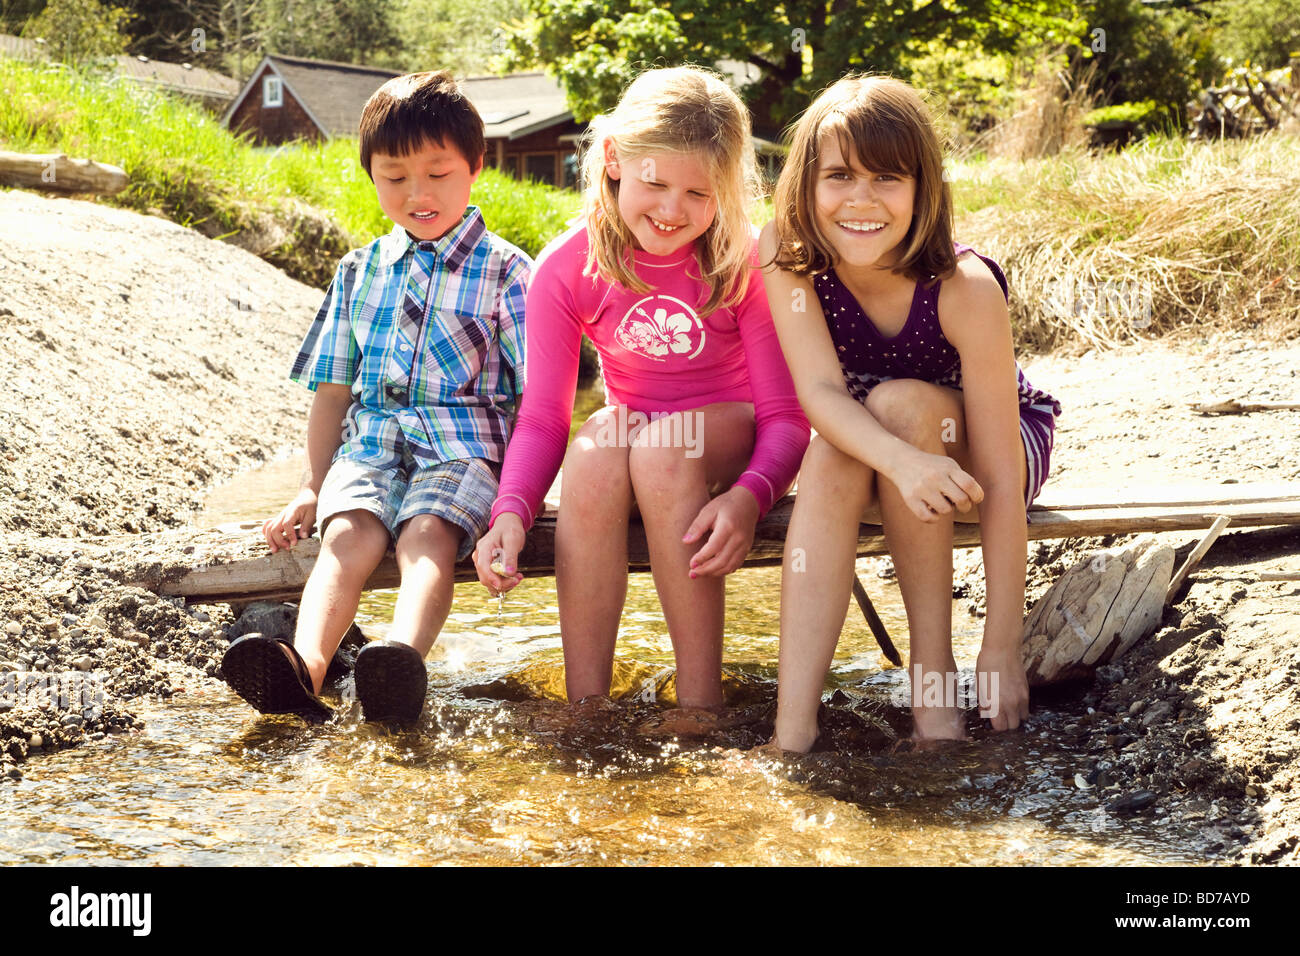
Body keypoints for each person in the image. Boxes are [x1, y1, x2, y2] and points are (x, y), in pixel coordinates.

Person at [473, 67, 809, 720]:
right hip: (640, 445)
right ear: (614, 160)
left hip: (735, 440)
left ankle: (700, 706)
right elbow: (544, 417)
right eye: (655, 183)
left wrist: (751, 495)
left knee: (656, 448)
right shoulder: (567, 268)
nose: (672, 209)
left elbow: (787, 417)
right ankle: (587, 704)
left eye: (699, 193)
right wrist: (511, 512)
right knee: (593, 449)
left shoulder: (743, 262)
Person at [759, 75, 1061, 751]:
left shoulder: (965, 288)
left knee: (899, 405)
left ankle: (934, 691)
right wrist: (901, 462)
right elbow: (821, 395)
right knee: (835, 448)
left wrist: (1002, 645)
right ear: (806, 184)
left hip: (992, 447)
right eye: (838, 176)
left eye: (887, 178)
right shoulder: (786, 252)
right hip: (884, 445)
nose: (861, 201)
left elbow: (999, 473)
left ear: (924, 188)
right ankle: (792, 733)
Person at [221, 71, 530, 723]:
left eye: (437, 173)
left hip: (461, 452)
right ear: (371, 176)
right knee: (347, 536)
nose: (418, 193)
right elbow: (333, 390)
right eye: (395, 177)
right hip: (369, 449)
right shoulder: (359, 271)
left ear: (475, 167)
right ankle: (304, 666)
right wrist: (312, 483)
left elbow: (536, 398)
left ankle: (399, 660)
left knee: (426, 536)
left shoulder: (508, 272)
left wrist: (518, 499)